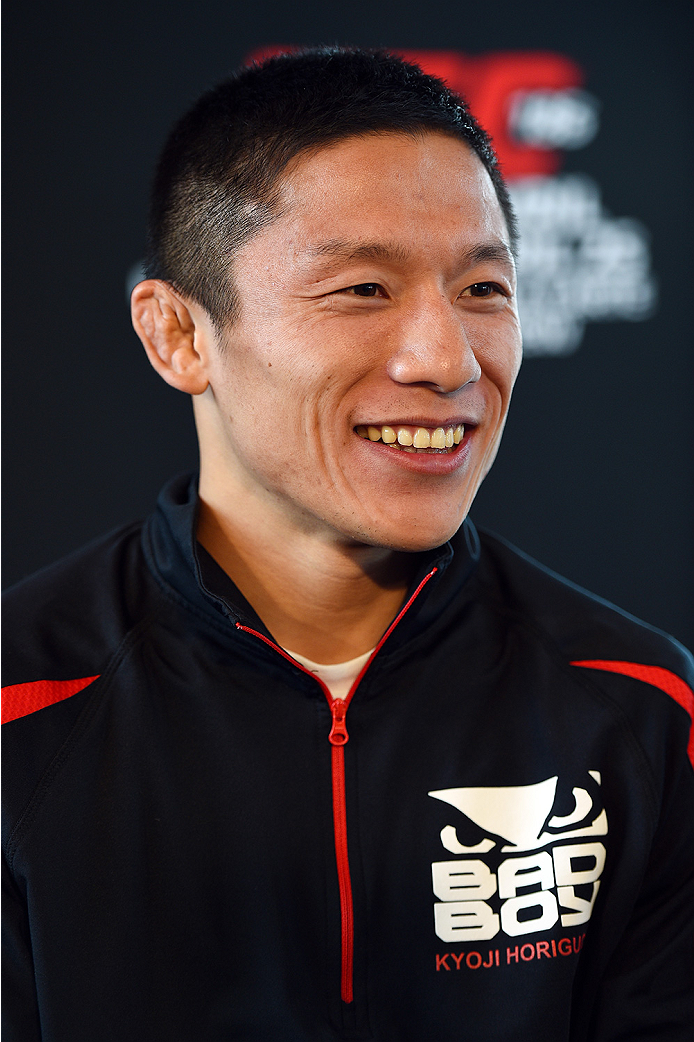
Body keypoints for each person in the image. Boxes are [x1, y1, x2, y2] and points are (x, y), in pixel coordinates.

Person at [1, 47, 692, 1042]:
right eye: (363, 288)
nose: (446, 358)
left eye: (484, 290)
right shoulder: (20, 703)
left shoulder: (640, 705)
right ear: (178, 337)